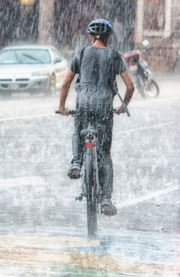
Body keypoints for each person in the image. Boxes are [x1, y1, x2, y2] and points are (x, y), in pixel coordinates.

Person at [57, 18, 134, 217]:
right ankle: (106, 199)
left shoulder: (81, 53)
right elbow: (130, 86)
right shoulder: (114, 56)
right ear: (108, 38)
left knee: (78, 130)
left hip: (83, 103)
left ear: (91, 37)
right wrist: (122, 106)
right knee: (104, 154)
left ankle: (76, 162)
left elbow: (65, 84)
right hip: (104, 107)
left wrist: (62, 106)